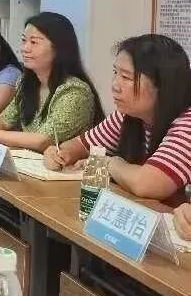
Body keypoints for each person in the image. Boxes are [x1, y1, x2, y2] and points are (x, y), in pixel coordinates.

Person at [44, 34, 191, 203]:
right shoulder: (128, 114)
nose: (115, 85)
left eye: (126, 77)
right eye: (116, 73)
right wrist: (59, 153)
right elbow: (81, 146)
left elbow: (148, 183)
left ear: (163, 85)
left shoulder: (187, 123)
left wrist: (110, 164)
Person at [0, 12, 102, 151]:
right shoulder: (26, 83)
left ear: (59, 48)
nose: (25, 48)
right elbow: (4, 120)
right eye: (24, 40)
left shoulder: (74, 91)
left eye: (34, 42)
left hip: (61, 164)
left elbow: (42, 140)